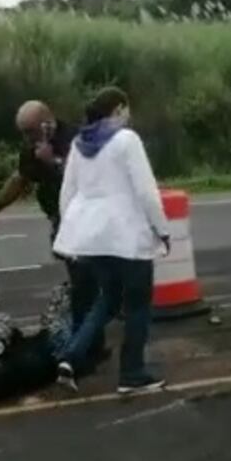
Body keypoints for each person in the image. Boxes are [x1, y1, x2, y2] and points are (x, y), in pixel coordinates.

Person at [0, 100, 106, 366]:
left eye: (30, 131)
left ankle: (89, 348)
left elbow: (91, 178)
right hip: (63, 224)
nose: (27, 138)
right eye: (23, 133)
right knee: (83, 287)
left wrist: (52, 161)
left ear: (46, 123)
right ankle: (89, 344)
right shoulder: (33, 149)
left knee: (85, 287)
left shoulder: (77, 139)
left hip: (87, 223)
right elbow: (19, 182)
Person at [52, 87, 170, 395]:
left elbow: (67, 194)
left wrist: (73, 232)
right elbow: (146, 191)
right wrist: (162, 228)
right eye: (126, 109)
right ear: (118, 109)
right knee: (138, 305)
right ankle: (132, 373)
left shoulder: (79, 143)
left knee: (107, 300)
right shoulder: (126, 140)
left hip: (91, 236)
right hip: (127, 236)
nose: (128, 116)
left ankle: (71, 356)